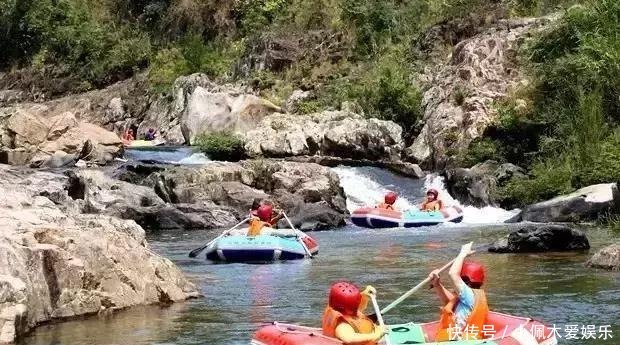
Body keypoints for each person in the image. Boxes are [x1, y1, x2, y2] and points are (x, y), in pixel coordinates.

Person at [428, 243, 488, 341]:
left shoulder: (470, 295)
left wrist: (463, 253)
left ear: (465, 279)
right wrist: (437, 284)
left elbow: (453, 273)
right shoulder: (468, 298)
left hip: (461, 341)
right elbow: (449, 301)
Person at [322, 282, 386, 345]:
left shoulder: (336, 305)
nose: (358, 305)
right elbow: (349, 339)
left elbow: (357, 307)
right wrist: (375, 336)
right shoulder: (342, 325)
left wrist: (365, 295)